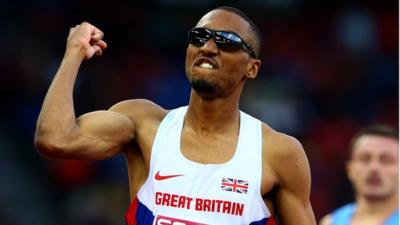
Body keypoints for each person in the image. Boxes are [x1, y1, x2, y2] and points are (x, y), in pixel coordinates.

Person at [34, 6, 316, 225]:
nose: (208, 47)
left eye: (227, 41)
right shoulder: (144, 124)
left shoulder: (277, 152)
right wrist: (74, 52)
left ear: (252, 68)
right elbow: (54, 138)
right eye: (199, 37)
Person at [319, 125, 399, 225]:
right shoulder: (330, 222)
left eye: (386, 160)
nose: (374, 168)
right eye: (365, 159)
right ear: (350, 169)